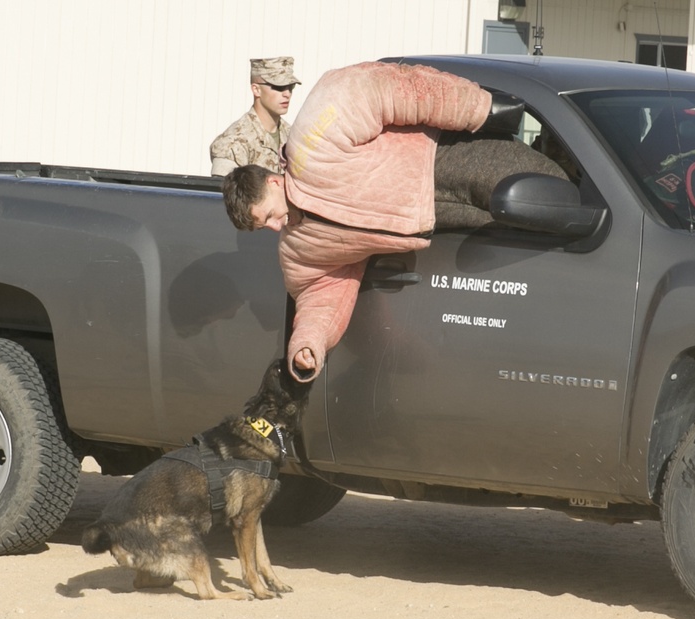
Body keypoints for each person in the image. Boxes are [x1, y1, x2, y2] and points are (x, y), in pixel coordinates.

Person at [222, 61, 559, 383]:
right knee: (536, 234)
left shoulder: (312, 140)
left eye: (266, 216)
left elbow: (395, 88)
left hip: (443, 158)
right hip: (440, 221)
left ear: (272, 182)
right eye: (261, 228)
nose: (275, 227)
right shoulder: (300, 251)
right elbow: (321, 292)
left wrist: (482, 109)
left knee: (553, 191)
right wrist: (308, 344)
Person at [209, 56, 301, 176]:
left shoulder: (293, 137)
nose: (287, 94)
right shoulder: (233, 142)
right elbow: (223, 192)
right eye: (279, 87)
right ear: (256, 90)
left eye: (290, 87)